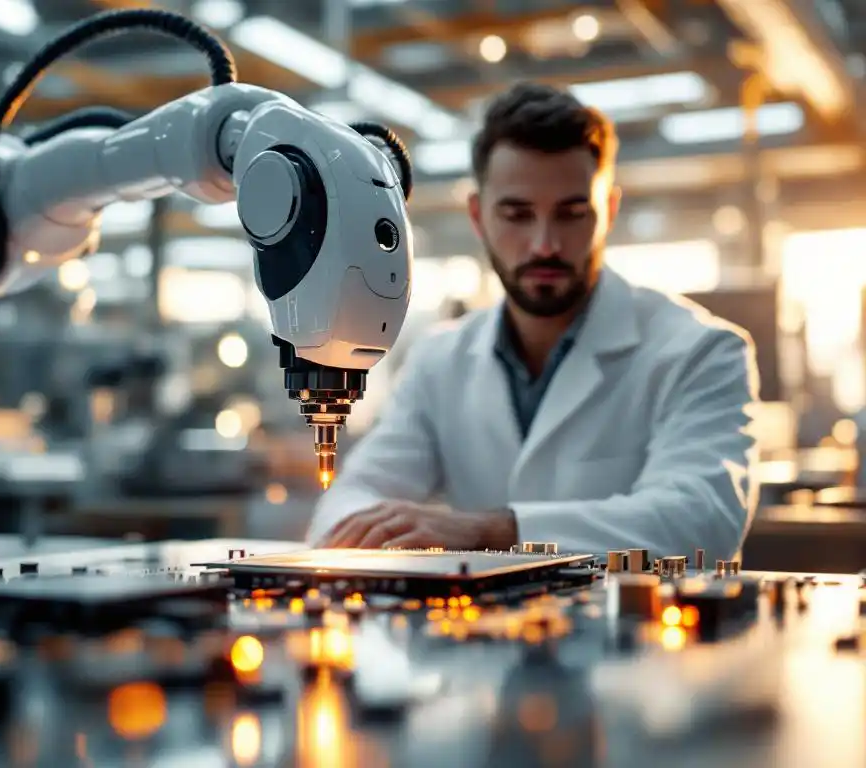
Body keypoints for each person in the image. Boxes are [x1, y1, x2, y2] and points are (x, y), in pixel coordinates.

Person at [305, 82, 760, 562]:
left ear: (608, 212)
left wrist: (493, 530)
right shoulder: (439, 361)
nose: (544, 244)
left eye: (571, 214)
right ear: (479, 217)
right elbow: (345, 505)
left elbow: (702, 522)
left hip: (634, 633)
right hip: (478, 637)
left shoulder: (702, 351)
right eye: (517, 215)